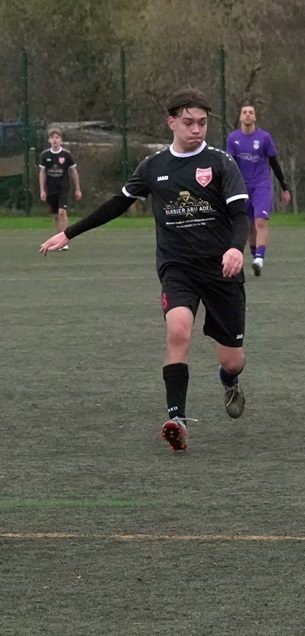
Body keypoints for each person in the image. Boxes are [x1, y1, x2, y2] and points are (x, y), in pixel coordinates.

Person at [39, 86, 251, 452]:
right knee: (178, 331)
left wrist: (235, 248)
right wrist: (68, 232)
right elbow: (117, 204)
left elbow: (240, 215)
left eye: (202, 123)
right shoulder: (154, 167)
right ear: (171, 123)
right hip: (177, 267)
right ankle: (176, 420)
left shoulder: (220, 163)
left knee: (232, 360)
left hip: (221, 269)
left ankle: (229, 381)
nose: (196, 129)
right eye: (188, 122)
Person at [226, 103, 291, 277]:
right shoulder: (233, 139)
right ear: (240, 117)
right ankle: (256, 258)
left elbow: (274, 164)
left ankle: (260, 259)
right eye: (244, 112)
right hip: (242, 187)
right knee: (249, 226)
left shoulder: (264, 138)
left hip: (261, 185)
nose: (248, 114)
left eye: (251, 112)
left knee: (260, 221)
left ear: (254, 117)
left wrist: (284, 188)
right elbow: (230, 165)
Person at [38, 128, 82, 250]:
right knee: (56, 216)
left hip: (63, 188)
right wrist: (42, 190)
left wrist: (77, 189)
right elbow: (42, 173)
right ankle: (58, 240)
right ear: (49, 140)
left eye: (57, 137)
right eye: (52, 138)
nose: (55, 140)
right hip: (51, 189)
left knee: (62, 212)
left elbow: (73, 172)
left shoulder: (66, 155)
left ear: (61, 140)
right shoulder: (45, 156)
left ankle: (65, 239)